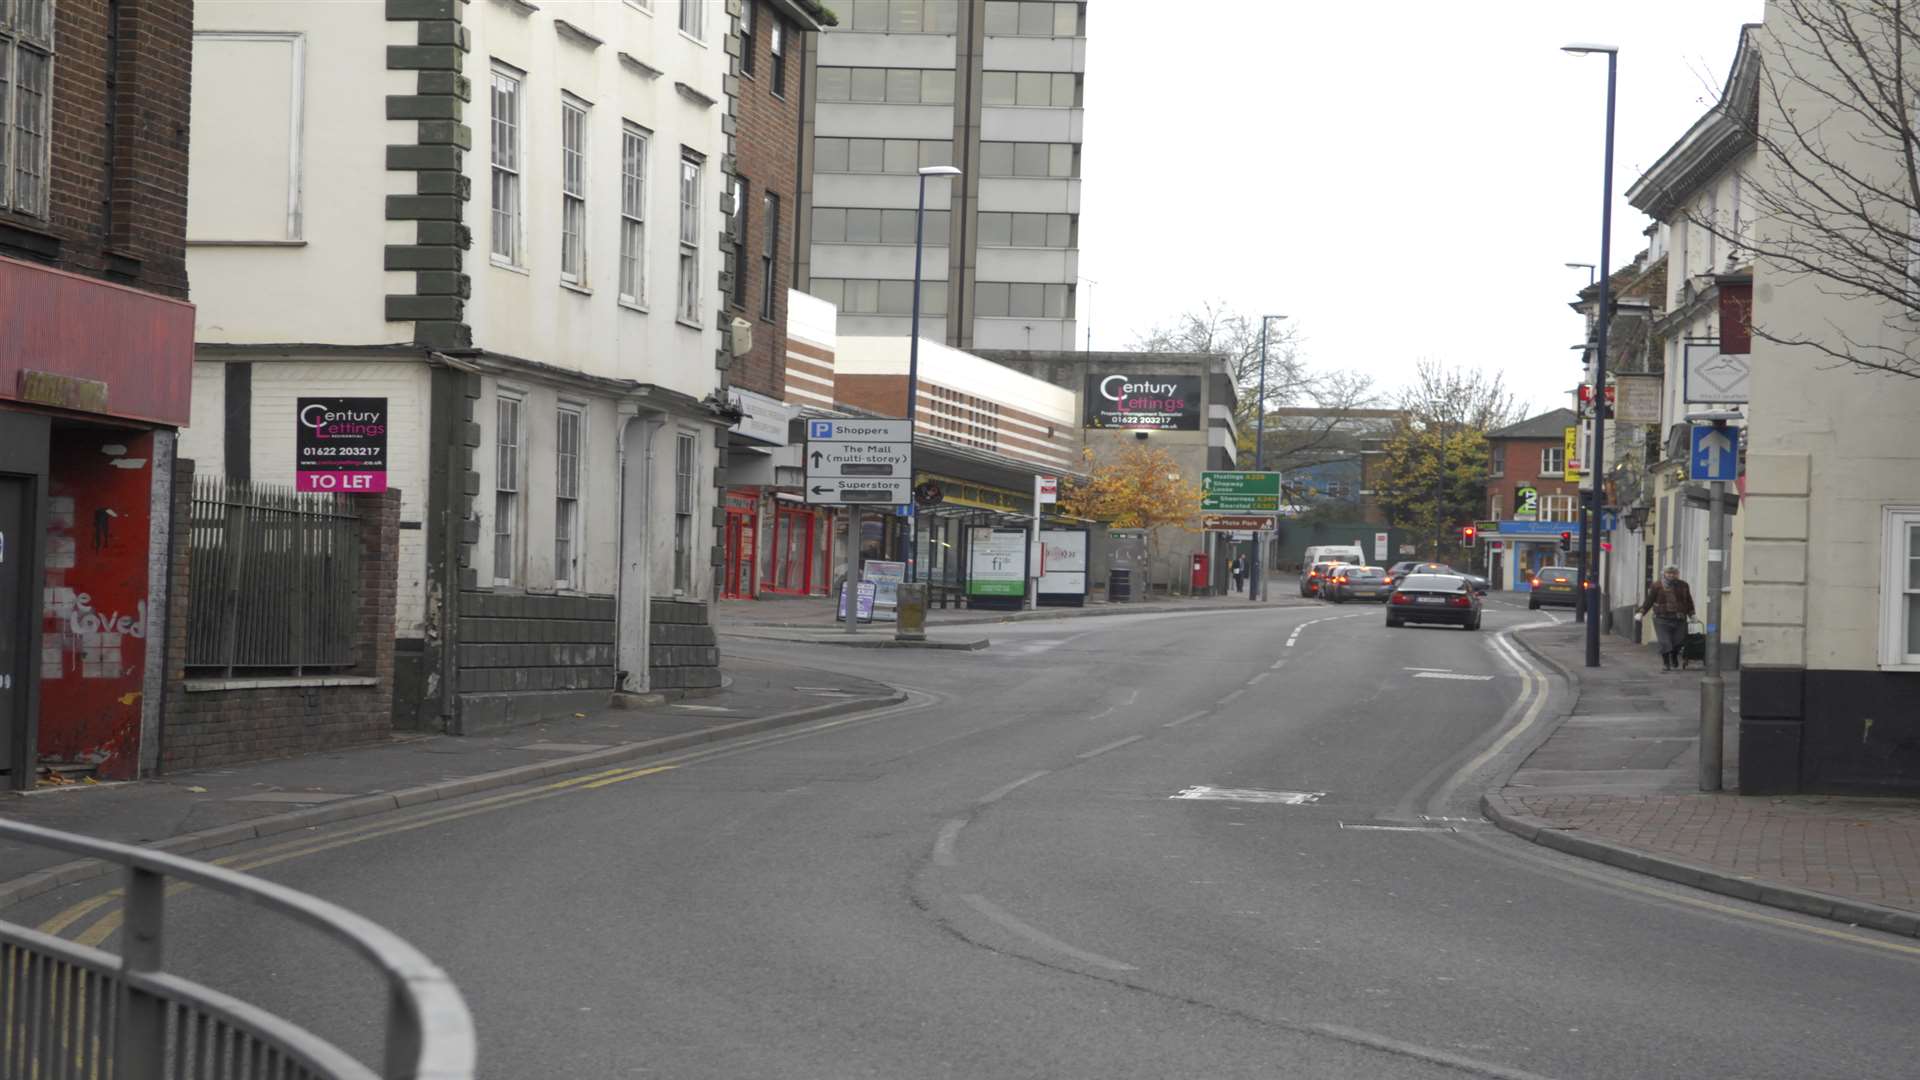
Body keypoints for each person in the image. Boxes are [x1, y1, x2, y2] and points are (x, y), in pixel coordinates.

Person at [1636, 565, 1696, 672]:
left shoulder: (1683, 585)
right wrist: (1641, 612)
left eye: (1674, 573)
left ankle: (1673, 655)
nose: (1671, 575)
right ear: (1664, 574)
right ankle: (1666, 663)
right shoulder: (1657, 586)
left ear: (1677, 574)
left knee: (1678, 642)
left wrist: (1692, 614)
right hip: (1661, 618)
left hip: (1679, 618)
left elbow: (1688, 600)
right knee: (1665, 642)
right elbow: (1649, 601)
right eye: (1669, 573)